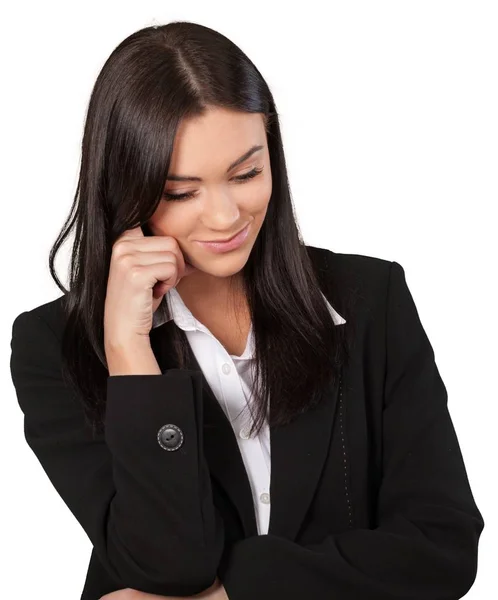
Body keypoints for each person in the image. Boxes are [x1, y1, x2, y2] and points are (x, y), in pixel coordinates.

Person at [9, 20, 484, 600]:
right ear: (123, 188)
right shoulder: (53, 346)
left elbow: (443, 547)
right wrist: (130, 352)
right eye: (182, 191)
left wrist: (237, 590)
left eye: (247, 173)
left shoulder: (369, 299)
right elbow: (167, 566)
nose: (226, 216)